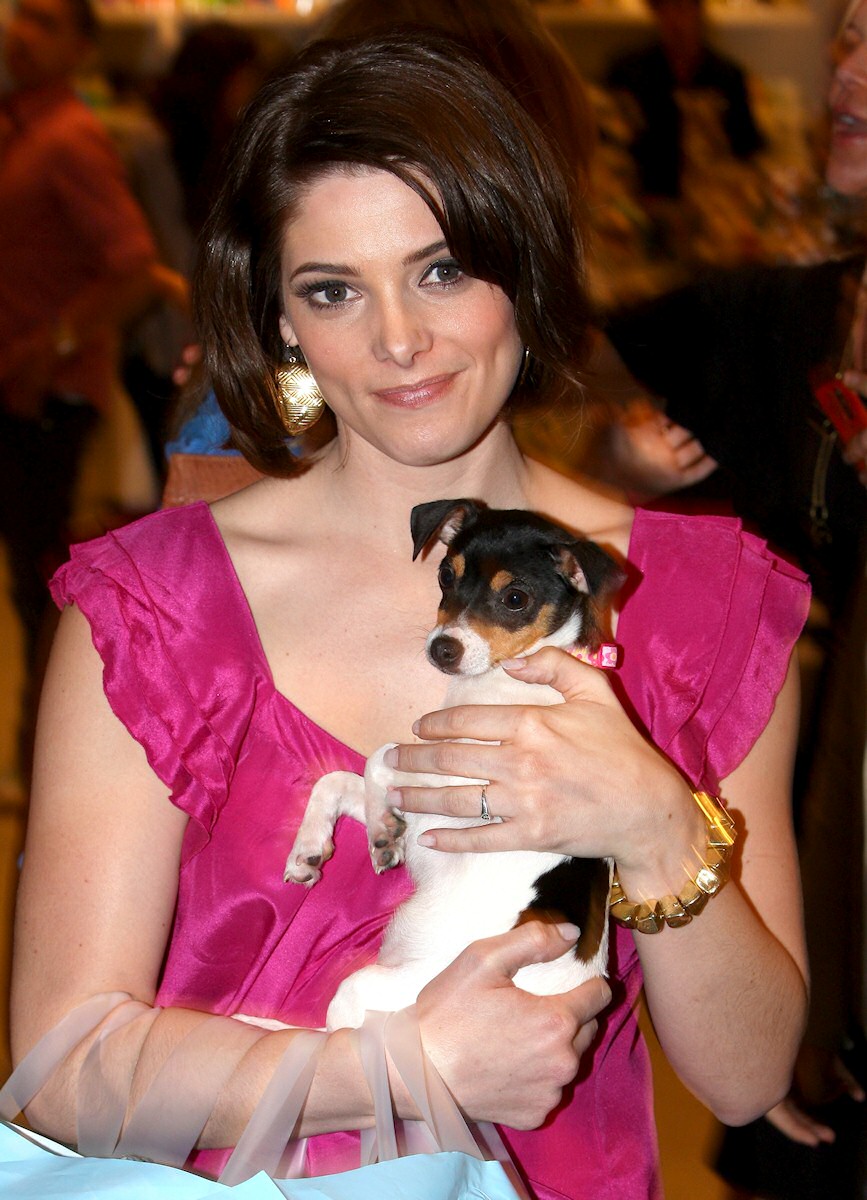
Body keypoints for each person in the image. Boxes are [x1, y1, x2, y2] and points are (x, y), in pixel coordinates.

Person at [9, 31, 809, 1200]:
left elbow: (745, 1079)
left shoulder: (704, 605)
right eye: (333, 289)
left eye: (441, 271)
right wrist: (397, 1063)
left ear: (524, 273)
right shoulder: (157, 608)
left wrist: (654, 822)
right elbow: (57, 1073)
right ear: (280, 319)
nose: (398, 340)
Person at [0, 0, 160, 668]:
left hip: (50, 399)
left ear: (82, 50)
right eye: (20, 17)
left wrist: (55, 347)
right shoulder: (22, 130)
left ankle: (50, 755)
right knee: (30, 588)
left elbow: (133, 269)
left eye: (46, 23)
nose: (21, 34)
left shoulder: (69, 137)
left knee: (52, 594)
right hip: (24, 392)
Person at [606, 0, 765, 198]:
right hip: (648, 199)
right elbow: (614, 146)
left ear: (698, 12)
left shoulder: (728, 76)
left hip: (715, 199)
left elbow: (746, 148)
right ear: (657, 14)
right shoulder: (630, 73)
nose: (675, 20)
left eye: (682, 8)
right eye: (667, 9)